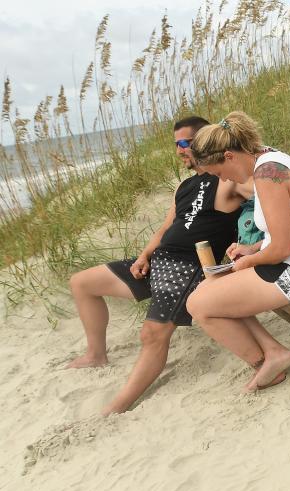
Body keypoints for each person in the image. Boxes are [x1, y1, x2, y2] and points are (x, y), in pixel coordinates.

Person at [66, 115, 252, 415]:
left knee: (151, 334)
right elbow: (164, 229)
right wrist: (143, 256)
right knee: (82, 283)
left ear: (205, 141)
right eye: (176, 143)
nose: (179, 150)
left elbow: (269, 191)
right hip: (159, 261)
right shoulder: (186, 186)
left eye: (184, 143)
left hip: (187, 267)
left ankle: (117, 407)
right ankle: (95, 354)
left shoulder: (228, 179)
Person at [186, 111, 290, 391]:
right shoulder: (268, 160)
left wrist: (249, 262)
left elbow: (283, 246)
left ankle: (265, 361)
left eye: (220, 173)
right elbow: (281, 230)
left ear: (229, 156)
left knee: (199, 305)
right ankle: (273, 353)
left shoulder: (268, 174)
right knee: (211, 290)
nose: (227, 180)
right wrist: (251, 248)